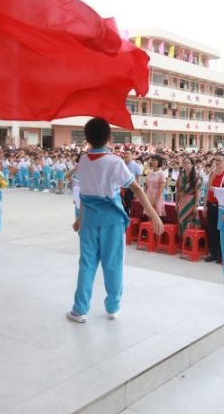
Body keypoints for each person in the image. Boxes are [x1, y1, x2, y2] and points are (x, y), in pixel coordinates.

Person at [68, 118, 162, 323]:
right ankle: (112, 307)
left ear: (87, 138)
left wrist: (80, 218)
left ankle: (79, 309)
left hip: (89, 220)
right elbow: (136, 189)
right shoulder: (114, 162)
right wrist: (154, 215)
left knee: (86, 264)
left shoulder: (83, 160)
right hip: (111, 220)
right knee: (113, 264)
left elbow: (83, 193)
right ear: (109, 137)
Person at [204, 155, 224, 263]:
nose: (217, 162)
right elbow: (208, 189)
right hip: (211, 205)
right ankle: (213, 253)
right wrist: (205, 205)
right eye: (216, 160)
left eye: (220, 160)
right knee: (211, 230)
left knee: (220, 230)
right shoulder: (213, 173)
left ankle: (220, 254)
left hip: (221, 207)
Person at [176, 156, 201, 231]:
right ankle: (182, 237)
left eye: (188, 162)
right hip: (182, 201)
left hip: (191, 201)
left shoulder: (196, 177)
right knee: (181, 219)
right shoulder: (180, 176)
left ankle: (189, 237)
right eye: (184, 162)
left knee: (189, 221)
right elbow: (177, 190)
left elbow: (198, 192)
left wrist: (196, 205)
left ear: (192, 165)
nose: (186, 164)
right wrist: (176, 203)